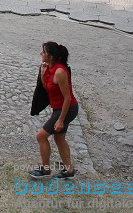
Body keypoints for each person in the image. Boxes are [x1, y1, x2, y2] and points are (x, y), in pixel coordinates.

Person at [29, 41, 79, 180]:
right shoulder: (49, 68)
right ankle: (69, 170)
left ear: (50, 56)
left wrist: (61, 120)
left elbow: (67, 98)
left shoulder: (60, 71)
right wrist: (43, 73)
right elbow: (49, 90)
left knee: (41, 136)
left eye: (44, 52)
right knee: (59, 137)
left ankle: (45, 170)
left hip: (67, 109)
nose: (41, 54)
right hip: (59, 108)